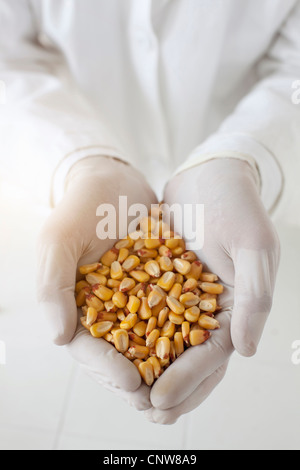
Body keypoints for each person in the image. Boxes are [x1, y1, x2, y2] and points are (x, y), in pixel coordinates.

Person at [1, 0, 299, 425]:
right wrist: (78, 161)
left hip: (245, 154)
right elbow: (7, 62)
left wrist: (248, 155)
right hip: (76, 134)